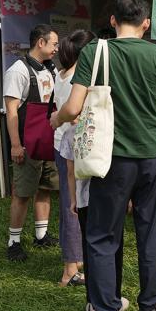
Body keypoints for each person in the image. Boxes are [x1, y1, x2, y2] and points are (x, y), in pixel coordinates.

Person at [51, 0, 156, 311]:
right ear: (146, 23)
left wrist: (56, 119)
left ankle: (106, 308)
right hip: (152, 157)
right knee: (150, 233)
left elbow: (72, 108)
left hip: (109, 160)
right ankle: (148, 306)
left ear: (112, 21)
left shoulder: (94, 52)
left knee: (101, 235)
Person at [4, 24, 60, 262]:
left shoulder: (51, 69)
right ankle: (14, 241)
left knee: (46, 187)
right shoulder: (18, 70)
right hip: (28, 142)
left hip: (49, 140)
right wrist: (16, 145)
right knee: (23, 193)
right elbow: (11, 111)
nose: (57, 48)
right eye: (54, 43)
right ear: (41, 43)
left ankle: (41, 234)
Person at [54, 30, 95, 288]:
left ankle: (76, 261)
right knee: (74, 205)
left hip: (65, 146)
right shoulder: (75, 79)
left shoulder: (64, 74)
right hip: (73, 147)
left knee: (73, 203)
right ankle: (70, 267)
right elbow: (74, 113)